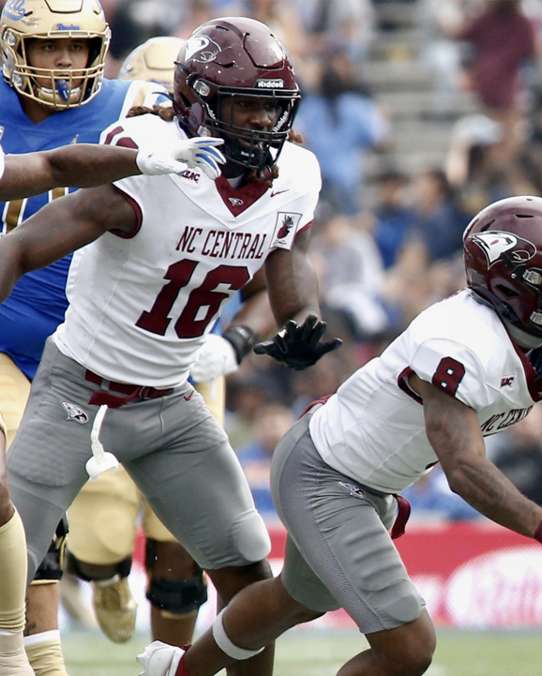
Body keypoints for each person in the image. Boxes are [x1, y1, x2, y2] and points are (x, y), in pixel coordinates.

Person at [138, 195, 542, 676]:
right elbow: (463, 467)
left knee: (297, 599)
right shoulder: (460, 339)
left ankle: (179, 671)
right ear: (512, 287)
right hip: (327, 474)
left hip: (361, 476)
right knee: (409, 646)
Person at [0, 17, 338, 676]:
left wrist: (301, 318)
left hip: (169, 397)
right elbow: (20, 245)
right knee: (12, 561)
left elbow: (288, 255)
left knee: (248, 576)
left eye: (272, 106)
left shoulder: (295, 174)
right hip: (78, 390)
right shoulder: (152, 160)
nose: (263, 121)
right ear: (199, 103)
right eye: (245, 105)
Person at [0, 4, 223, 673]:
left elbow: (230, 159)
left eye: (77, 48)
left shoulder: (137, 105)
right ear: (14, 49)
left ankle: (163, 646)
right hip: (10, 339)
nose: (65, 62)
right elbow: (45, 168)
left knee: (175, 535)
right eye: (48, 48)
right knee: (18, 495)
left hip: (114, 342)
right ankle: (29, 657)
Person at [61, 34, 267, 652]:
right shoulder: (118, 168)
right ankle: (101, 575)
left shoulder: (250, 179)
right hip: (110, 370)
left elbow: (279, 279)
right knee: (99, 542)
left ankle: (173, 661)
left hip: (190, 370)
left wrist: (235, 343)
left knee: (184, 545)